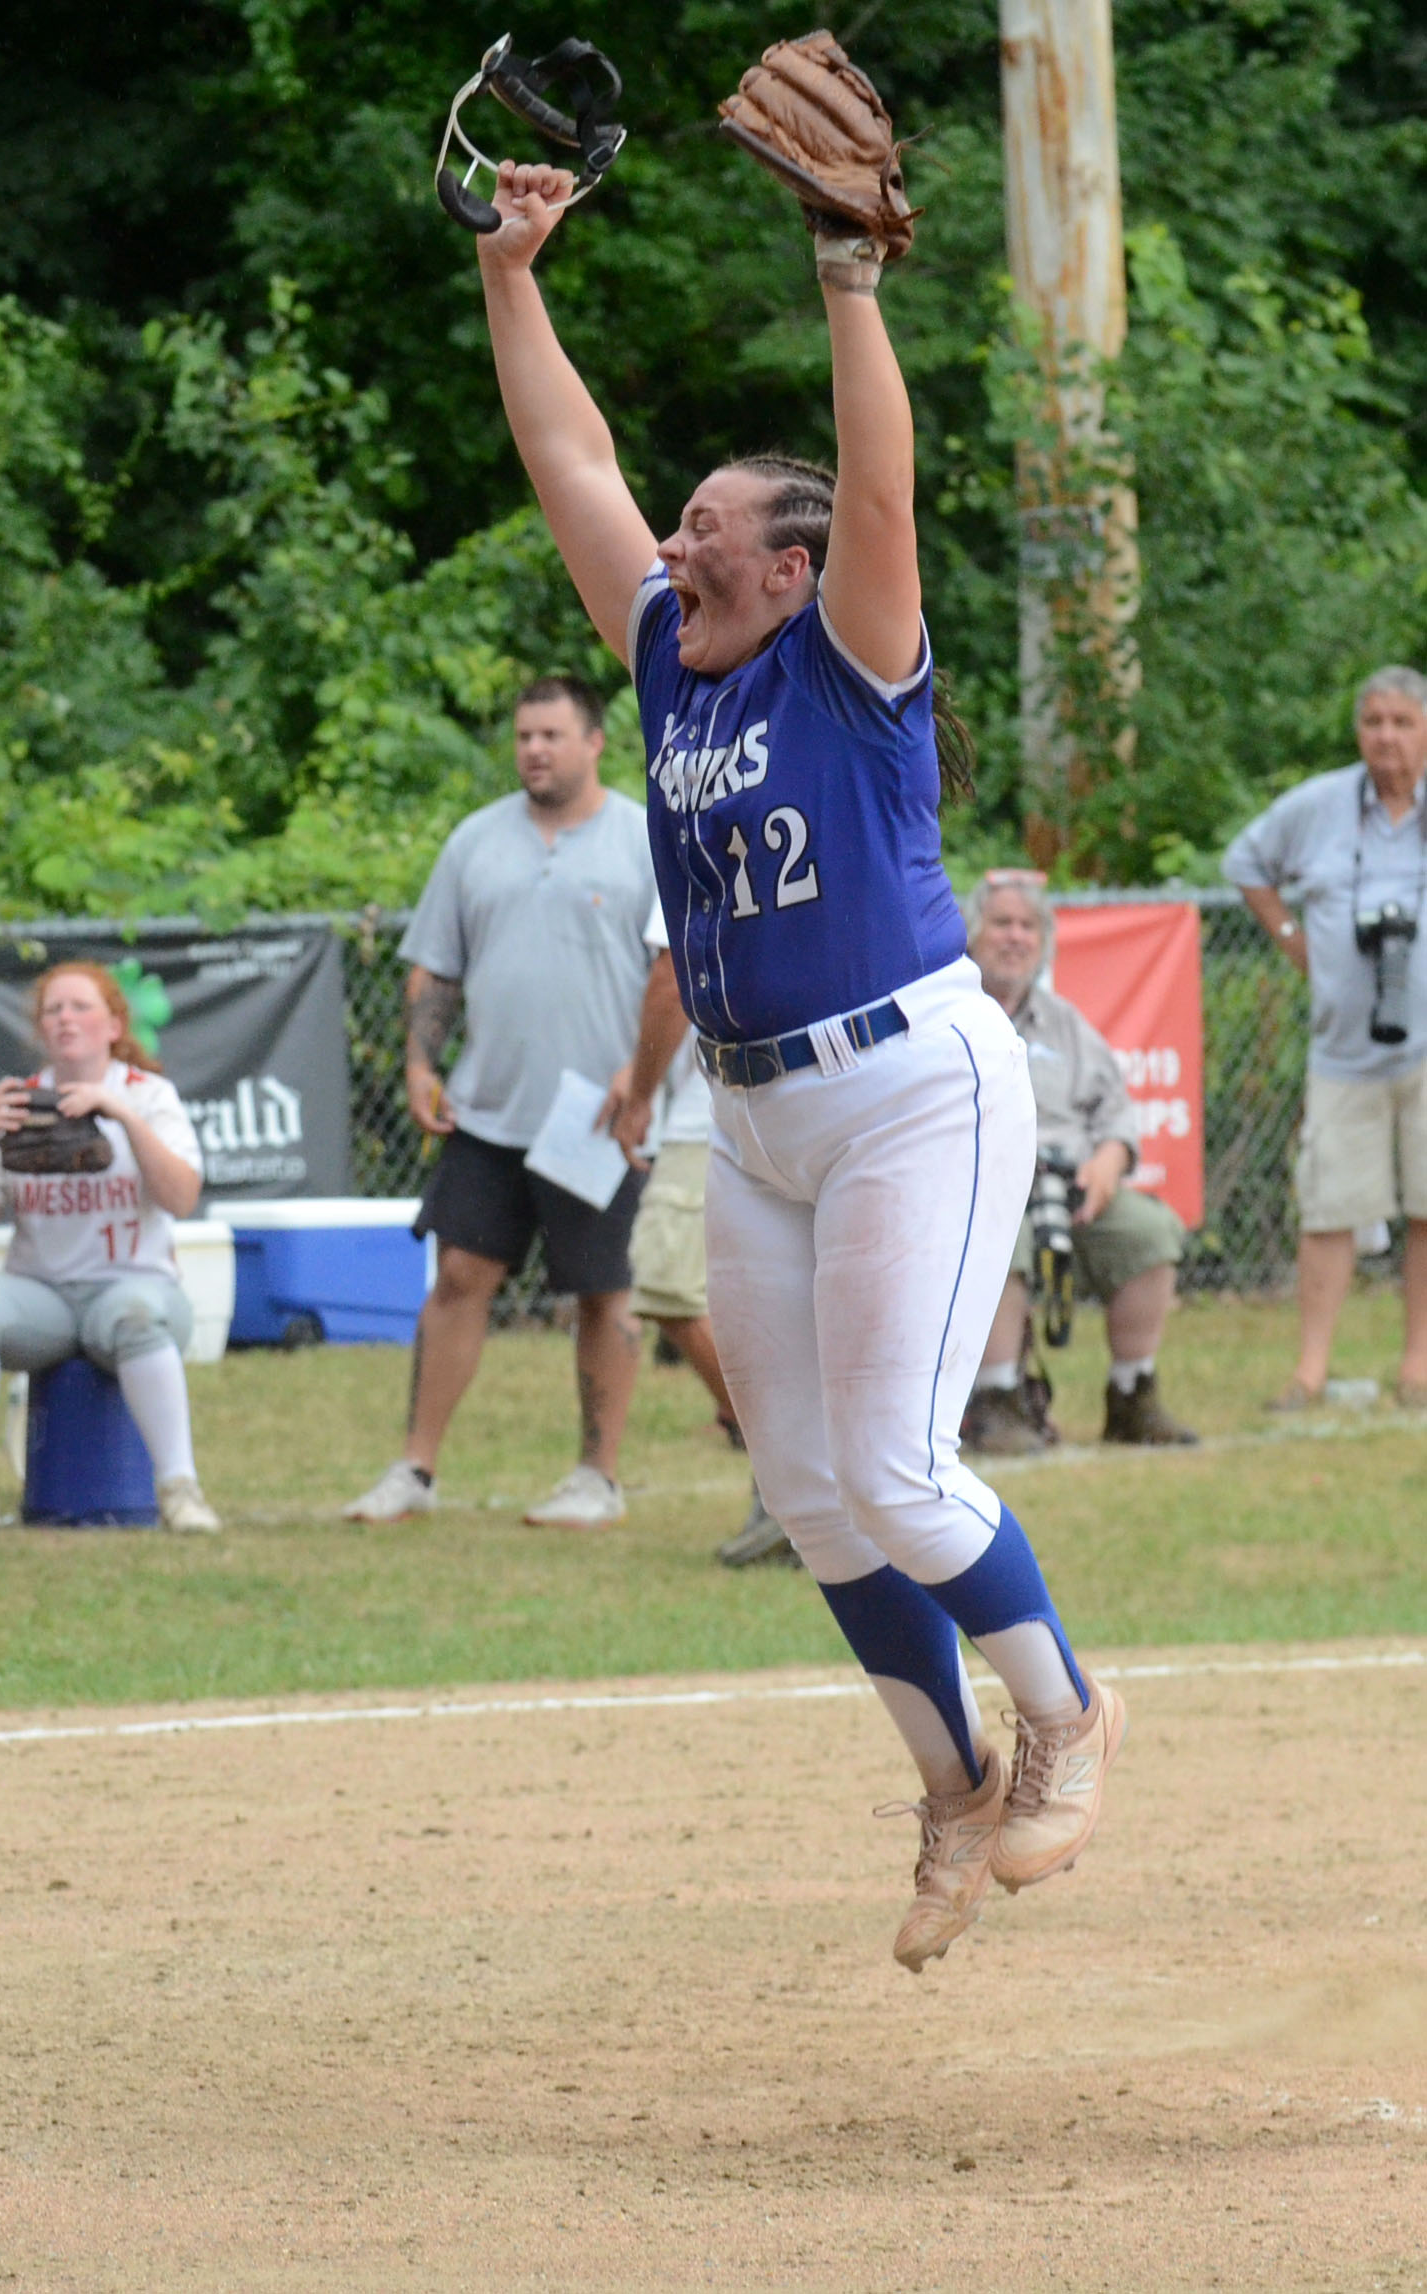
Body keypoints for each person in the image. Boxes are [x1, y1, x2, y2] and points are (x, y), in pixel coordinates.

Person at [472, 137, 1123, 1972]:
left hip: (911, 1082)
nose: (670, 547)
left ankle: (1067, 1712)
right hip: (751, 1112)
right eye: (674, 530)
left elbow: (881, 483)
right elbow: (569, 461)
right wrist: (510, 275)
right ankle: (953, 1782)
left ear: (794, 561)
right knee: (819, 1497)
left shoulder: (847, 655)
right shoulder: (672, 658)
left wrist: (848, 283)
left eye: (705, 530)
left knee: (900, 1469)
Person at [345, 676, 655, 1527]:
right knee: (458, 1276)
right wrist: (419, 1062)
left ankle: (596, 1478)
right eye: (524, 737)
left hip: (598, 1114)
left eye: (552, 735)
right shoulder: (475, 841)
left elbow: (681, 973)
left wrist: (641, 1074)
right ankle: (414, 1469)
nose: (534, 751)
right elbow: (435, 965)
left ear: (595, 742)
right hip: (489, 1107)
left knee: (604, 1291)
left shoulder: (643, 838)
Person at [0, 962, 219, 1534]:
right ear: (40, 1028)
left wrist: (122, 1116)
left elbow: (181, 1198)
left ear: (114, 1025)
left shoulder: (148, 1095)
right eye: (52, 1010)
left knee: (137, 1313)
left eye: (80, 1006)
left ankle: (180, 1490)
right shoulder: (22, 1100)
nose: (65, 1018)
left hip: (138, 1286)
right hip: (44, 1298)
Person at [1224, 664, 1427, 1408]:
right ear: (1358, 732)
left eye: (1402, 722)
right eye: (1374, 722)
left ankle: (1419, 1369)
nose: (1387, 737)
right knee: (1328, 1212)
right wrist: (1293, 939)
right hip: (1343, 1053)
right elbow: (1244, 860)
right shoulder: (1319, 806)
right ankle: (1309, 1373)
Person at [960, 872, 1197, 1453]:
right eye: (1002, 923)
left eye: (1028, 926)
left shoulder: (1065, 1023)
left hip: (1067, 1184)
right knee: (999, 1238)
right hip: (977, 1186)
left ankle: (1132, 1395)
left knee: (1149, 1232)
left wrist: (1109, 1164)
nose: (1015, 937)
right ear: (971, 934)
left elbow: (1115, 1111)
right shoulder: (948, 1014)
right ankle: (997, 1403)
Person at [602, 899, 795, 1568]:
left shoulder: (698, 832)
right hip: (802, 1102)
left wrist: (641, 1094)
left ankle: (790, 1476)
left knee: (668, 1283)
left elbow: (672, 977)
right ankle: (795, 1484)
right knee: (775, 1309)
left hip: (719, 1107)